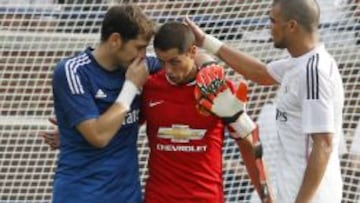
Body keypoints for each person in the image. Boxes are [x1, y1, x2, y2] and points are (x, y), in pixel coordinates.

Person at [42, 21, 272, 203]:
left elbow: (248, 141)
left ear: (192, 52)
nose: (168, 70)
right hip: (157, 198)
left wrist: (266, 197)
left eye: (175, 61)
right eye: (162, 62)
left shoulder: (218, 88)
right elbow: (124, 126)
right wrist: (73, 135)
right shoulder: (150, 86)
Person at [185, 0, 344, 202]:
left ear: (292, 26)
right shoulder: (298, 64)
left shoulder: (314, 72)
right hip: (293, 191)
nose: (269, 27)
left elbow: (324, 144)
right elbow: (261, 72)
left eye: (273, 21)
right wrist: (206, 41)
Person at [49, 5, 159, 203]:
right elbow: (98, 136)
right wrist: (131, 86)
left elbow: (186, 60)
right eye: (139, 47)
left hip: (127, 196)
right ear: (115, 40)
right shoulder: (72, 71)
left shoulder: (137, 65)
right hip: (82, 195)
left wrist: (208, 59)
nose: (143, 55)